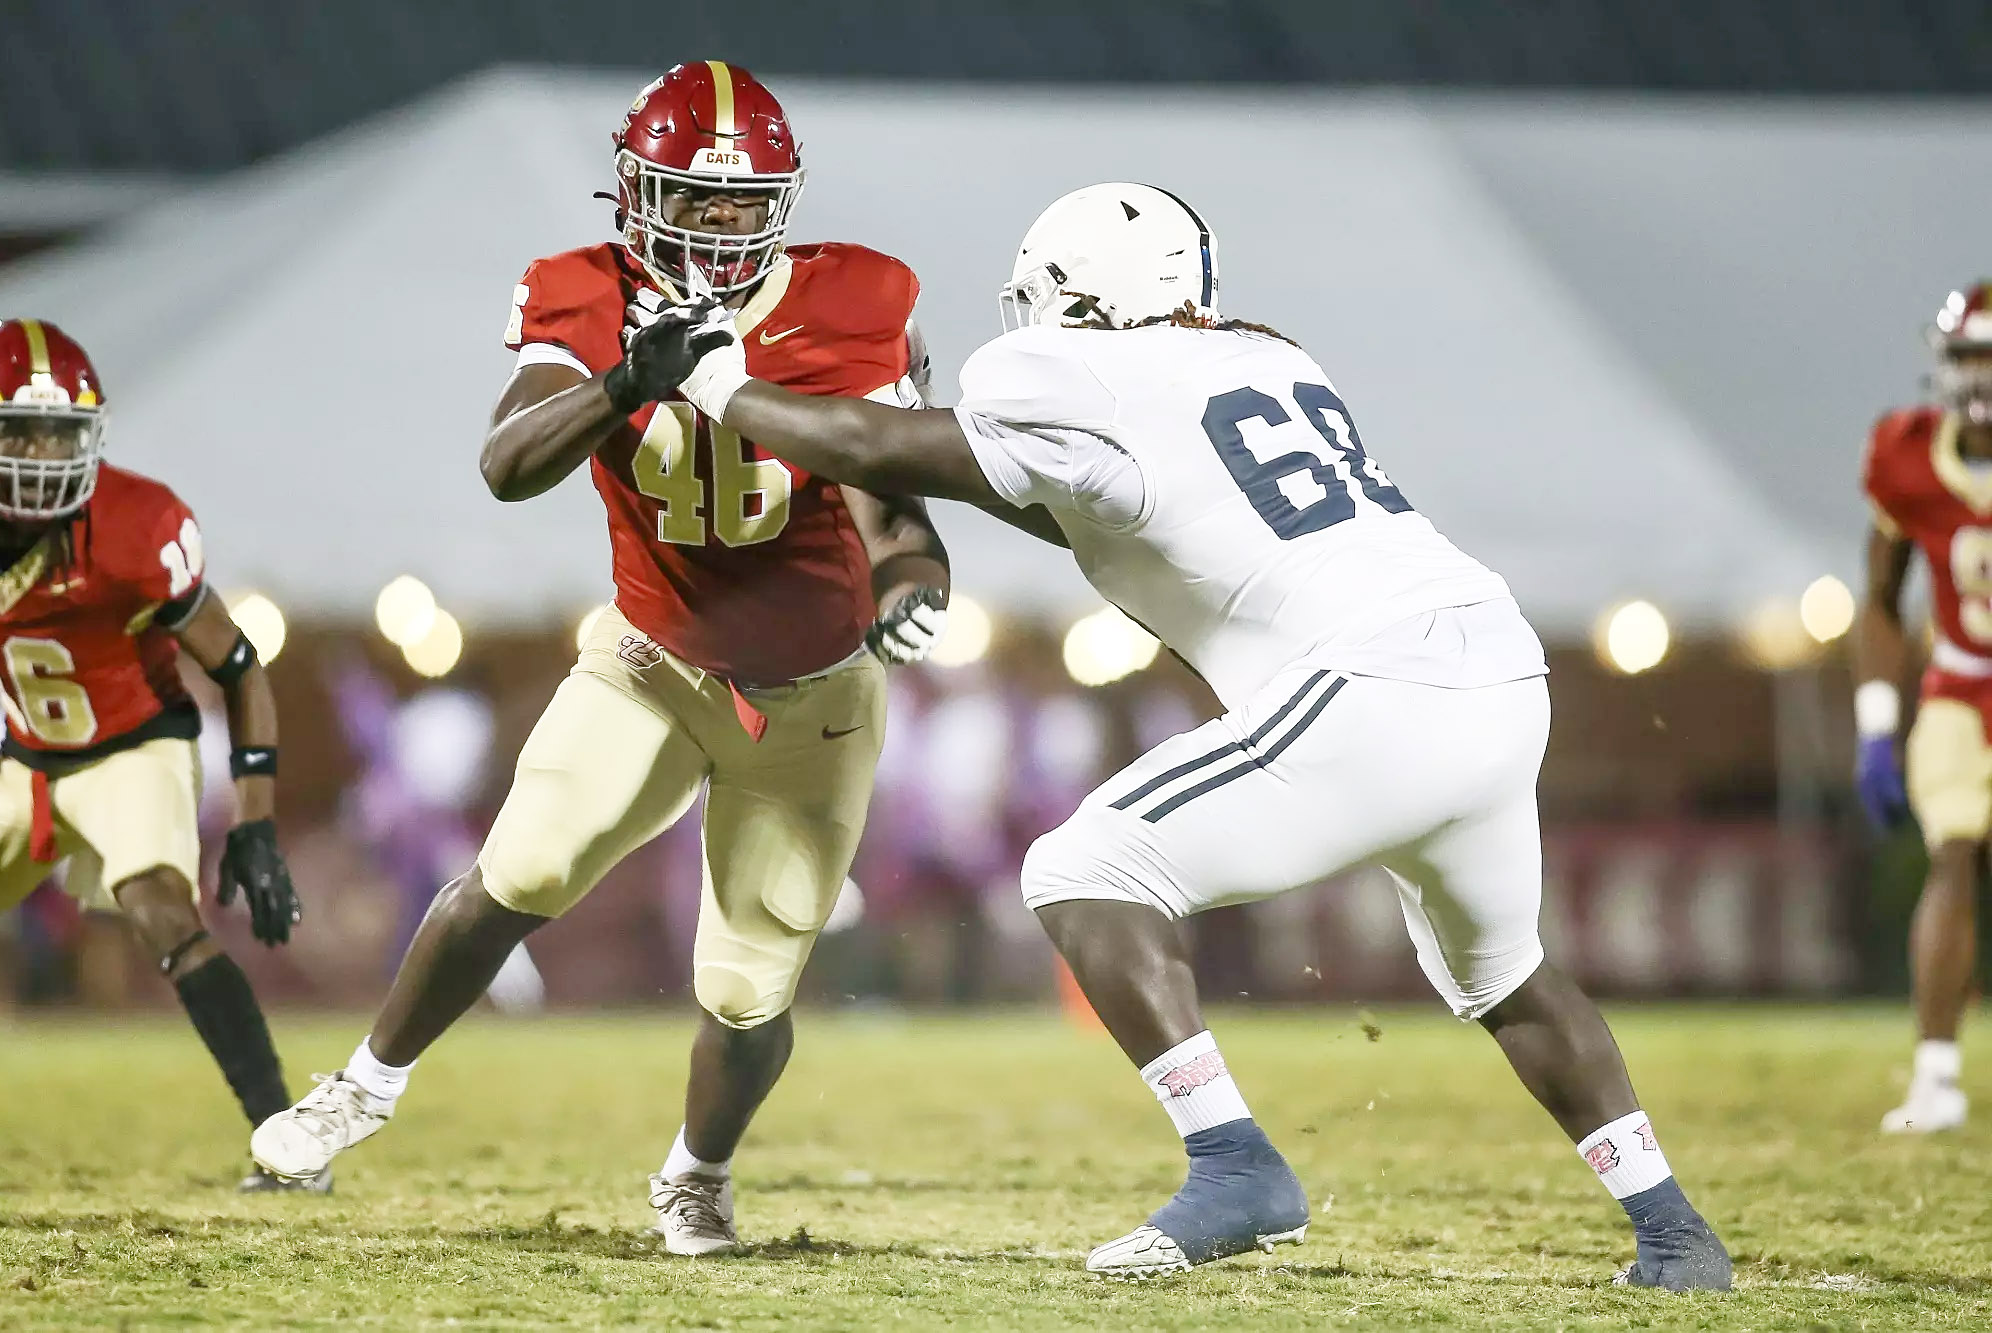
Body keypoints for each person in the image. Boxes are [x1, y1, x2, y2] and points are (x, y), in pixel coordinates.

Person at [613, 181, 1733, 1288]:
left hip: (1376, 681)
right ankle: (1675, 1233)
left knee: (1080, 869)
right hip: (1497, 666)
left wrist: (718, 383)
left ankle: (1233, 1161)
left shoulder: (1069, 371)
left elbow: (873, 443)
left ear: (1080, 297)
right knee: (1509, 977)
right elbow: (1098, 508)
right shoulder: (1267, 358)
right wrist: (903, 441)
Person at [250, 62, 949, 1253]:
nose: (715, 225)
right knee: (518, 868)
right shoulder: (583, 291)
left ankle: (697, 1172)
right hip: (649, 660)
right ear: (631, 192)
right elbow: (507, 463)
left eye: (740, 202)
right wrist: (628, 380)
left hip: (816, 691)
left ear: (781, 203)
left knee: (746, 987)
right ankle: (363, 1085)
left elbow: (894, 500)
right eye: (690, 197)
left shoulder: (859, 297)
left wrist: (909, 582)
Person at [0, 318, 306, 1190]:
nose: (42, 455)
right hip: (25, 759)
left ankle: (287, 1142)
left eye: (59, 433)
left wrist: (256, 823)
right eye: (21, 431)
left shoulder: (133, 526)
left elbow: (239, 667)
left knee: (163, 909)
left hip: (132, 747)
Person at [1854, 280, 1992, 1135]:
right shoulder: (1907, 455)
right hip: (1960, 682)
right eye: (1970, 359)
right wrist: (1876, 723)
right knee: (1953, 854)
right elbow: (1878, 598)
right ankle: (1935, 1075)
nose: (1981, 379)